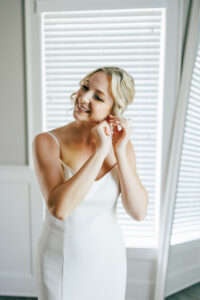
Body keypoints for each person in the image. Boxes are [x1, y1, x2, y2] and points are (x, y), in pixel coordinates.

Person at [32, 66, 148, 300]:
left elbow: (138, 212)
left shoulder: (122, 148)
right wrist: (101, 151)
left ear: (113, 109)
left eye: (98, 96)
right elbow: (60, 209)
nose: (83, 97)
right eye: (85, 86)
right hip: (61, 259)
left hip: (108, 260)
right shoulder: (47, 142)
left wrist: (121, 152)